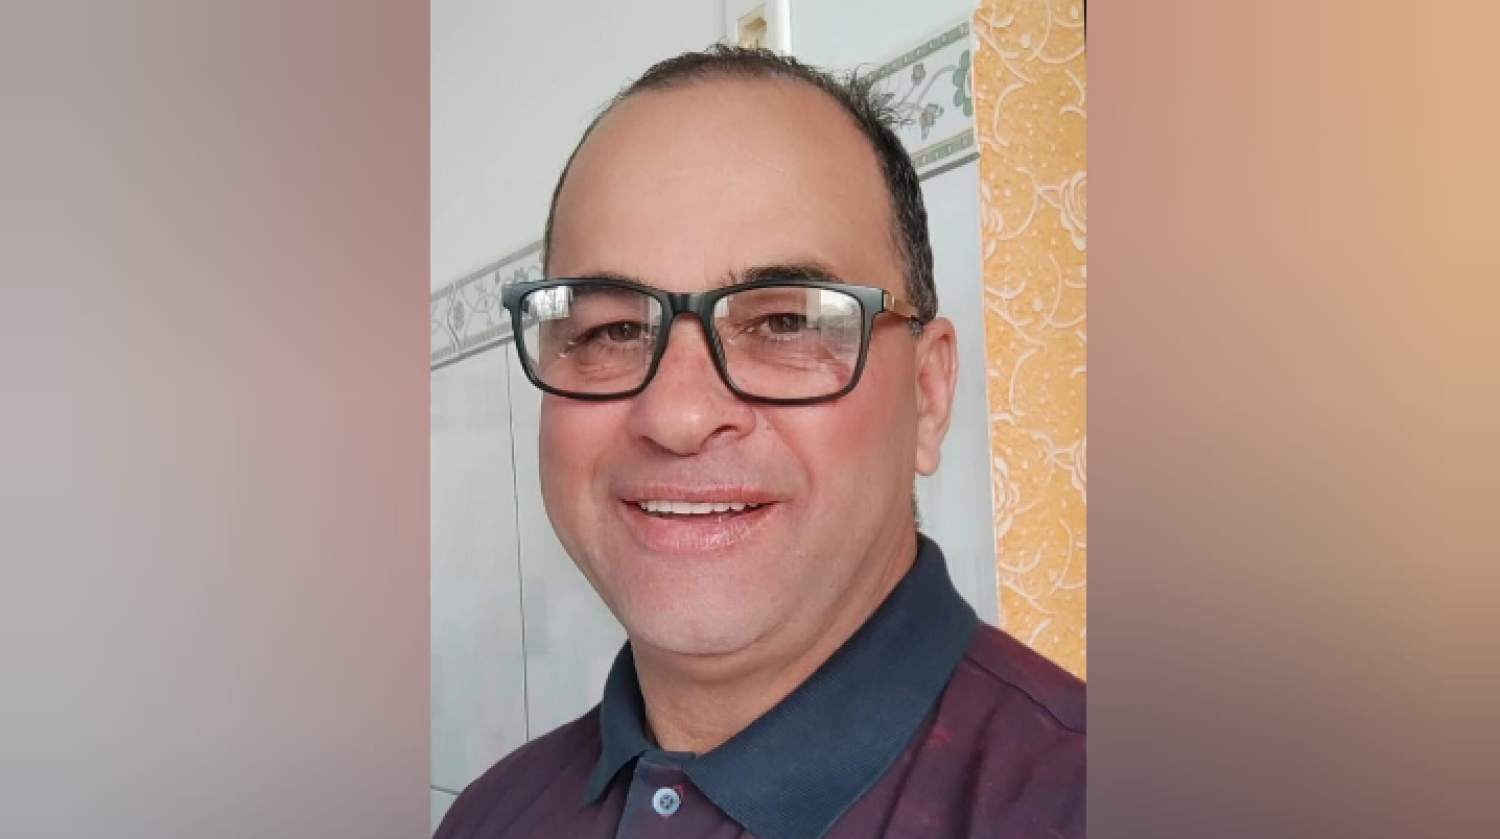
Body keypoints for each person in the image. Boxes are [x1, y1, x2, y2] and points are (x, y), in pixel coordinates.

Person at [435, 45, 1084, 839]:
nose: (677, 416)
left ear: (927, 393)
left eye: (784, 322)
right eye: (610, 331)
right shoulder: (488, 816)